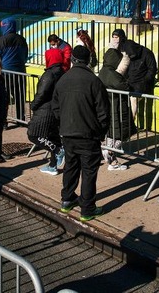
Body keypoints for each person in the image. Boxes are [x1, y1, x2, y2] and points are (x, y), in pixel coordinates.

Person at [52, 46, 111, 222]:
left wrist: (63, 124)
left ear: (73, 60)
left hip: (68, 133)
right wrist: (100, 132)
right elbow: (103, 112)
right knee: (88, 171)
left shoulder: (63, 80)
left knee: (71, 166)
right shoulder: (94, 81)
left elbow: (55, 107)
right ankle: (87, 208)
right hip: (88, 134)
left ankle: (67, 199)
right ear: (88, 61)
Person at [27, 48, 66, 175]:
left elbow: (42, 93)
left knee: (33, 134)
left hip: (45, 110)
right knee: (53, 137)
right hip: (56, 109)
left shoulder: (50, 74)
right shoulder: (62, 72)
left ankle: (58, 151)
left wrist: (34, 105)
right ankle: (53, 165)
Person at [112, 29, 158, 130]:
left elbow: (152, 70)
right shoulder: (126, 52)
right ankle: (126, 124)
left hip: (142, 83)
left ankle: (130, 125)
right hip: (130, 81)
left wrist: (145, 81)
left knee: (133, 100)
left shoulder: (147, 53)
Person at [97, 48, 134, 171]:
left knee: (112, 135)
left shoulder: (103, 71)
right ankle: (109, 152)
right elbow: (123, 86)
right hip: (117, 108)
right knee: (121, 134)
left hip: (110, 108)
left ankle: (112, 161)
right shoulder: (112, 74)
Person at [0, 17, 29, 123]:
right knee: (20, 96)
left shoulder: (0, 41)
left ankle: (3, 122)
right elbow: (25, 55)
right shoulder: (22, 40)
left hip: (5, 73)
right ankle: (21, 119)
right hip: (20, 71)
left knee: (4, 98)